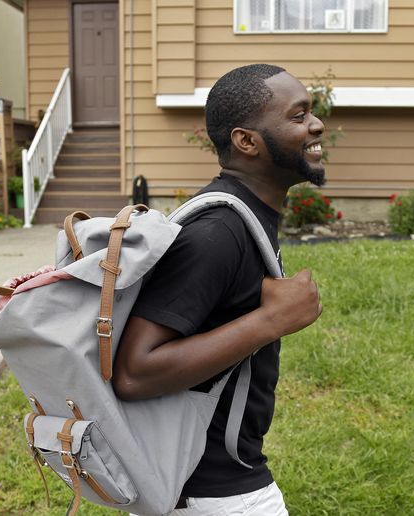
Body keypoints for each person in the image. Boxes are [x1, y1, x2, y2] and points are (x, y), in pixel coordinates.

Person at [114, 64, 325, 515]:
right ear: (246, 141)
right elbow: (134, 371)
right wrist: (271, 320)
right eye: (298, 115)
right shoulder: (218, 233)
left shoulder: (246, 216)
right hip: (215, 492)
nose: (316, 124)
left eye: (312, 112)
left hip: (211, 484)